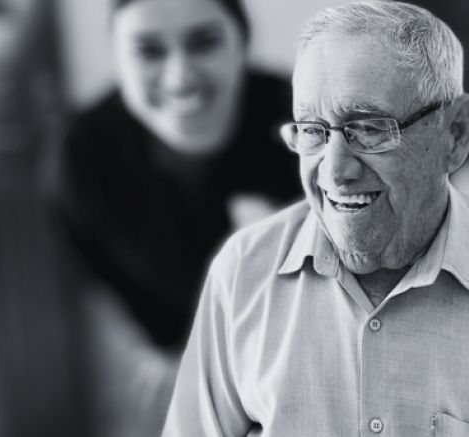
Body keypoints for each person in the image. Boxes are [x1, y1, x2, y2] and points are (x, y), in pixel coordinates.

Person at [162, 1, 469, 435]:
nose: (335, 171)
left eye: (369, 128)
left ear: (456, 133)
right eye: (312, 131)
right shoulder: (242, 275)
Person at [50, 0, 300, 435]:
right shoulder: (85, 150)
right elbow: (90, 253)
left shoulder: (306, 122)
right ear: (117, 57)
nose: (179, 76)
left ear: (242, 43)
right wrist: (162, 341)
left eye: (204, 42)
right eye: (149, 51)